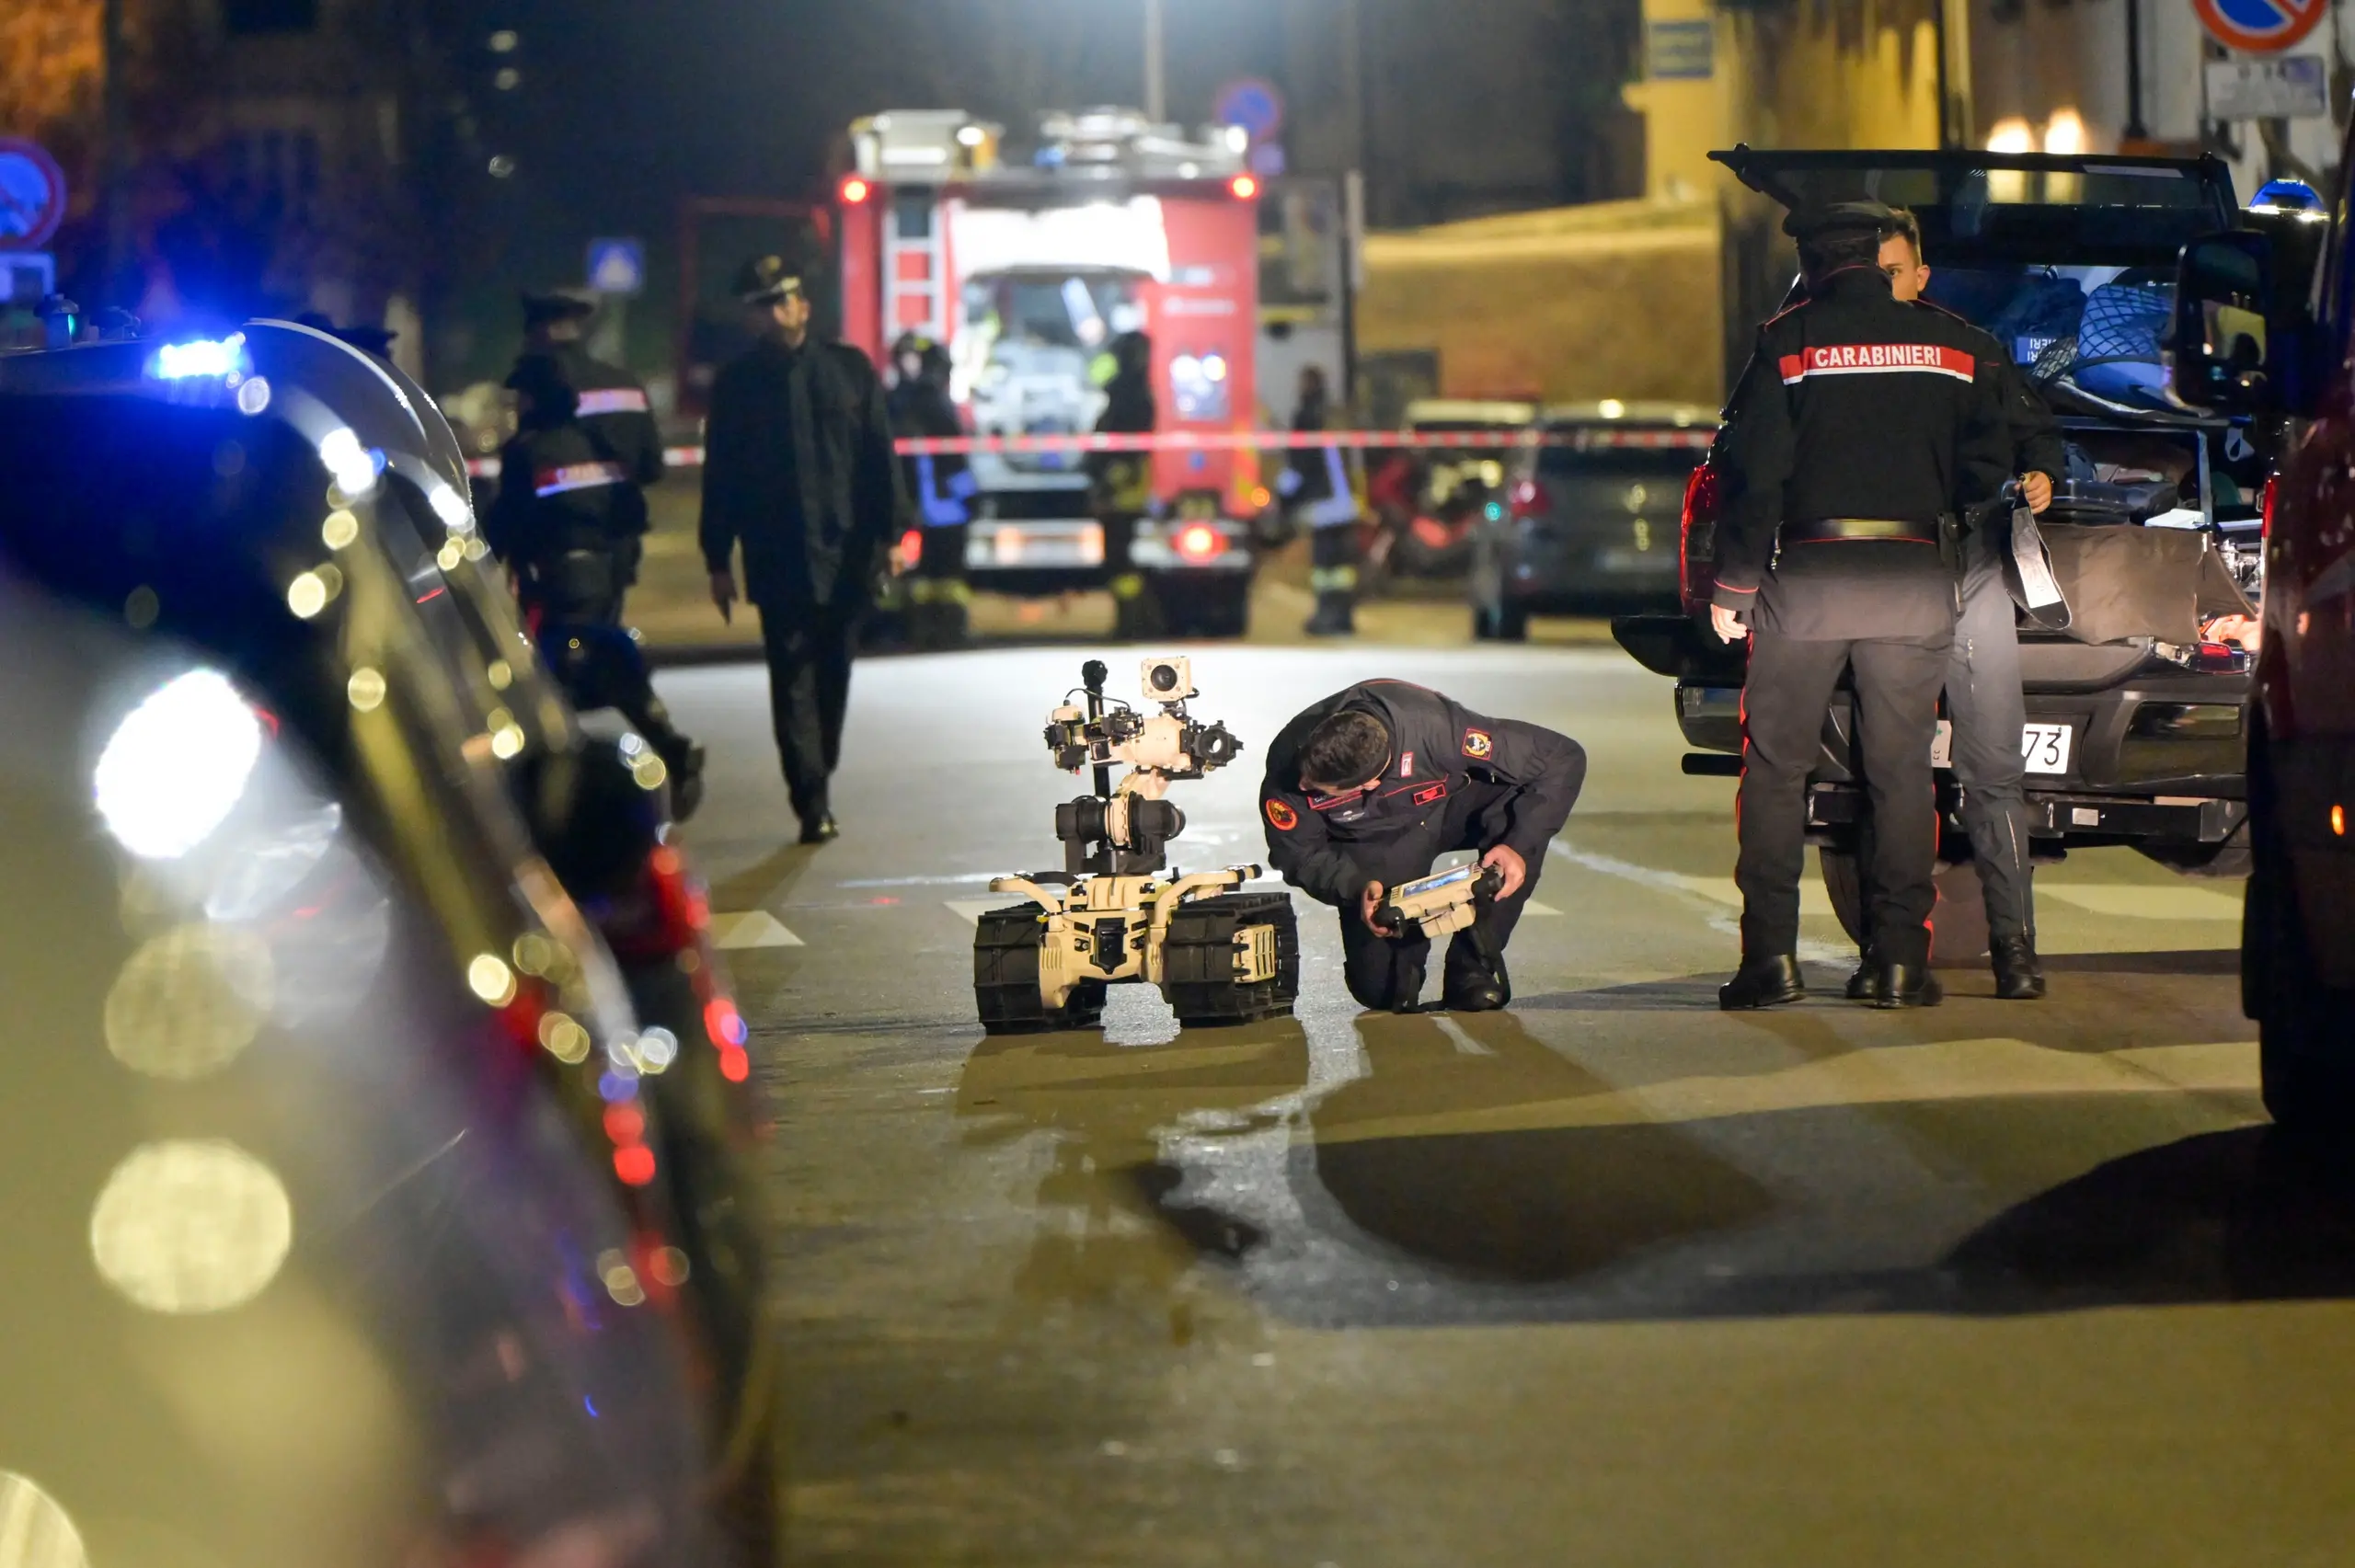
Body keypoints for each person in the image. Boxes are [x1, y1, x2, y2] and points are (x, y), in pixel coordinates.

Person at [1711, 201, 2015, 1013]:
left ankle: (1771, 960)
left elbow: (1753, 477)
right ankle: (1898, 964)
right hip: (1915, 580)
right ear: (1883, 265)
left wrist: (1734, 586)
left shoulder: (1788, 343)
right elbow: (1991, 472)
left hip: (1807, 581)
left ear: (1815, 266)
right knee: (1902, 773)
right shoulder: (1960, 348)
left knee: (1776, 772)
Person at [1863, 209, 2067, 1001]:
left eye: (1895, 270)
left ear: (1921, 277)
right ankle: (1892, 954)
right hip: (1891, 580)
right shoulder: (1840, 360)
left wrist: (2042, 474)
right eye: (1871, 271)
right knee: (1894, 777)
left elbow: (2035, 433)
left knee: (1994, 772)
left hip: (1975, 563)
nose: (1885, 285)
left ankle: (2015, 950)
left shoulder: (1973, 350)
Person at [700, 255, 907, 845]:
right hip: (777, 552)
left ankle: (822, 770)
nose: (775, 313)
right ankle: (810, 798)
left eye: (782, 300)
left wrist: (892, 535)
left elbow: (878, 455)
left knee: (834, 674)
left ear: (803, 306)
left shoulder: (847, 370)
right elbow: (723, 478)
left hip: (845, 554)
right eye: (762, 305)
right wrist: (718, 559)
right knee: (791, 675)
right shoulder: (738, 386)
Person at [1261, 680, 1586, 1013]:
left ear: (1369, 783)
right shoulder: (1290, 762)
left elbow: (1562, 757)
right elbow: (1297, 853)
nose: (1301, 786)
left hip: (1450, 805)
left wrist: (1518, 844)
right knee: (1383, 993)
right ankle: (1401, 975)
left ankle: (1472, 969)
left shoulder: (1438, 729)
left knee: (1521, 822)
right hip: (1376, 840)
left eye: (1319, 788)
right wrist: (1356, 888)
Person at [486, 353, 704, 817]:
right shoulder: (598, 444)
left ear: (532, 402)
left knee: (543, 683)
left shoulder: (526, 452)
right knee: (611, 669)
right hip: (603, 578)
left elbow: (508, 521)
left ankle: (564, 790)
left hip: (550, 581)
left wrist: (486, 562)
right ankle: (666, 743)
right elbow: (631, 512)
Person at [519, 292, 667, 495]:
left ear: (543, 332)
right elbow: (652, 470)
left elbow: (522, 473)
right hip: (619, 520)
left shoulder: (540, 389)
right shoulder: (626, 383)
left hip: (555, 521)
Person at [887, 333, 976, 648]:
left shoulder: (903, 399)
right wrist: (971, 496)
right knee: (947, 573)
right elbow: (953, 457)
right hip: (945, 505)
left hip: (918, 505)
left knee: (922, 573)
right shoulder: (936, 402)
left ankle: (918, 629)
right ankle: (949, 630)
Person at [1284, 365, 1362, 635]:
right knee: (1341, 569)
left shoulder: (1306, 418)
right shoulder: (1333, 416)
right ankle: (1343, 617)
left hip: (1324, 505)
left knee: (1325, 569)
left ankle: (1326, 617)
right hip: (1345, 503)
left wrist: (1284, 494)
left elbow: (1301, 464)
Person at [1091, 330, 1157, 638]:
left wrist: (1106, 483)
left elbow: (1124, 451)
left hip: (1121, 492)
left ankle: (1130, 622)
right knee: (1121, 557)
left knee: (1119, 558)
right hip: (1124, 490)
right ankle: (1134, 619)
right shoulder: (1135, 394)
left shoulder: (1130, 398)